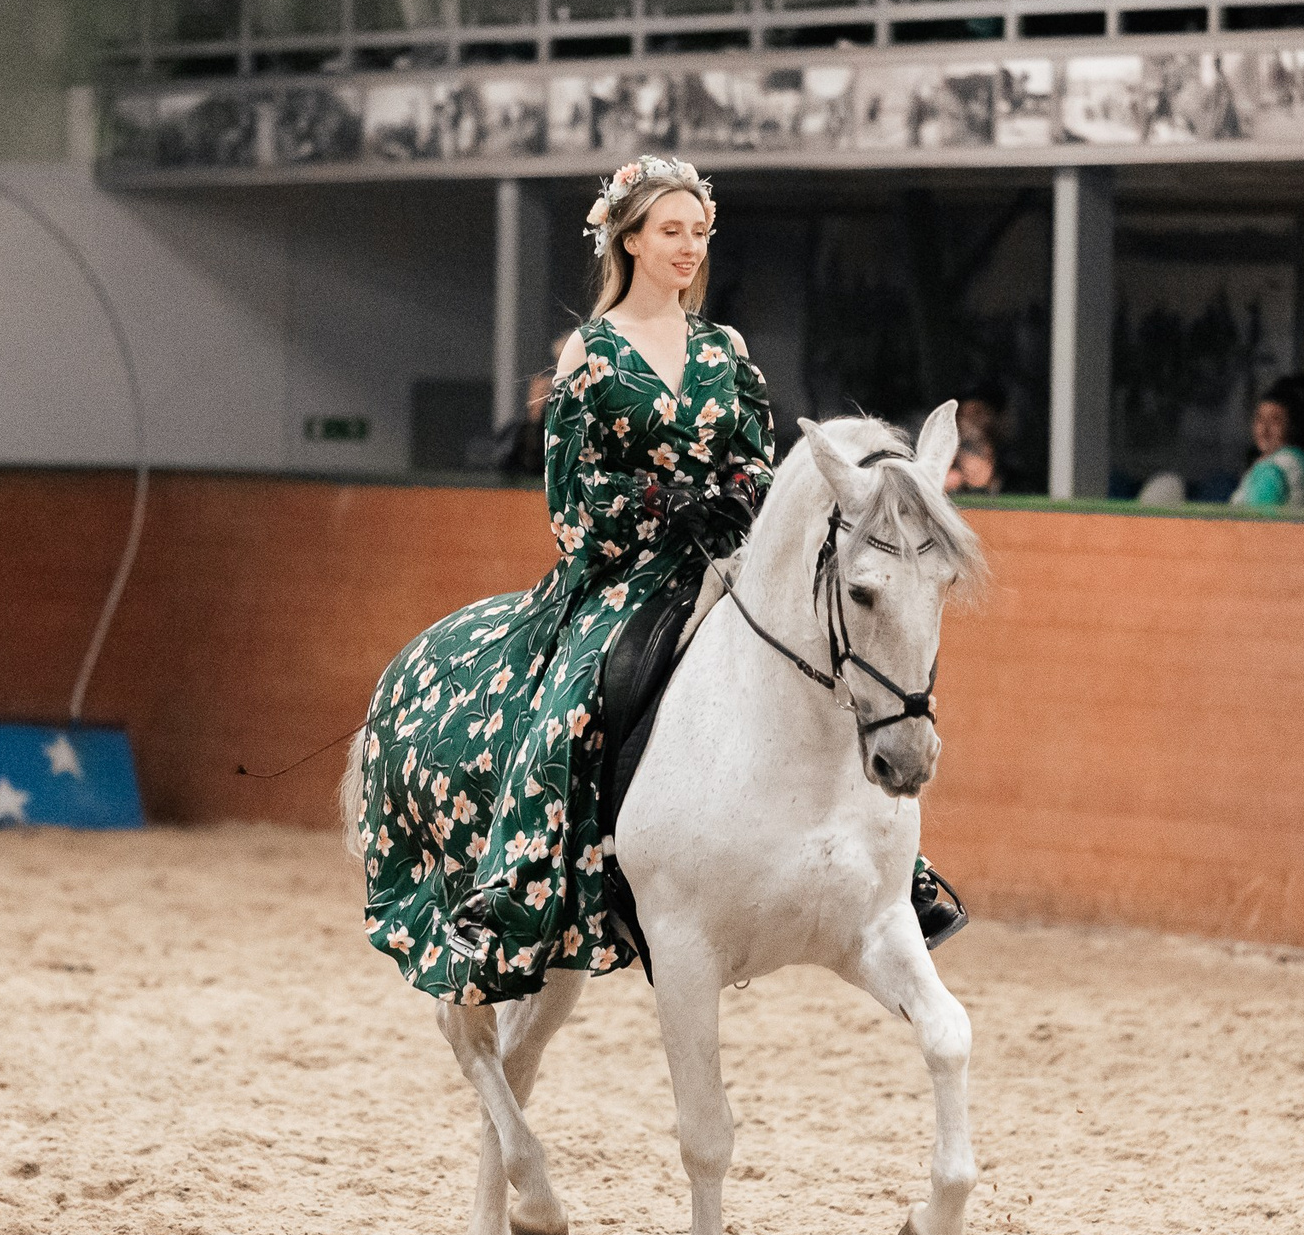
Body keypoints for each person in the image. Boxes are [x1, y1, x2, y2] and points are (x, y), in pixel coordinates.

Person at [349, 155, 963, 1008]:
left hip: (723, 559)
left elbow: (755, 470)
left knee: (829, 667)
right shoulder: (588, 356)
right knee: (577, 699)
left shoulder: (727, 349)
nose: (688, 246)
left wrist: (733, 500)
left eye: (699, 232)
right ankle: (515, 893)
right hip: (622, 572)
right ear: (629, 238)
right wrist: (655, 503)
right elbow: (569, 504)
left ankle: (894, 878)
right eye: (671, 230)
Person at [1231, 374, 1304, 509]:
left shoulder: (1273, 468)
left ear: (1293, 426)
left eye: (1275, 421)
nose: (1264, 430)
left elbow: (1258, 524)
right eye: (1259, 419)